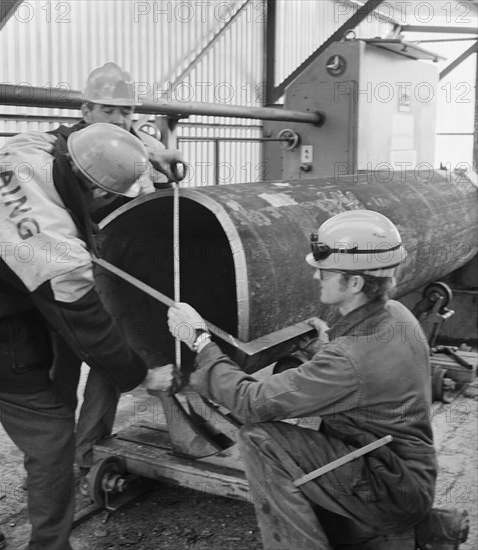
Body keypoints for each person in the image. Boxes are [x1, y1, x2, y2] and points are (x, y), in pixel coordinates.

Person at [0, 123, 178, 550]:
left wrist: (147, 151)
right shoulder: (53, 246)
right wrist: (142, 376)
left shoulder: (30, 150)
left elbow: (68, 132)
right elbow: (90, 331)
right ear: (101, 195)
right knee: (51, 442)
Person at [167, 210, 468, 550]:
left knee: (259, 440)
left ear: (354, 283)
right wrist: (321, 346)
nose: (315, 275)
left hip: (389, 487)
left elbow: (252, 403)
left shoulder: (350, 358)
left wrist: (199, 342)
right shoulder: (397, 314)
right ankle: (414, 532)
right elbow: (362, 373)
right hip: (404, 471)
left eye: (325, 271)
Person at [48, 62, 186, 484]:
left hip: (116, 270)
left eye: (127, 112)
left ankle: (87, 448)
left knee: (110, 361)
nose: (122, 121)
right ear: (87, 109)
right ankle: (50, 463)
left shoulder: (135, 146)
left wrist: (163, 162)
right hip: (61, 274)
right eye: (111, 111)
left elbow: (159, 199)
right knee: (61, 369)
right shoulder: (58, 149)